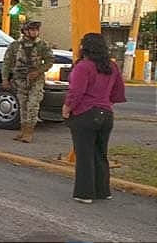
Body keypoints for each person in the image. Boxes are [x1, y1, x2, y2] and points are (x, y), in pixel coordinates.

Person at [62, 33, 126, 204]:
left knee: (84, 155)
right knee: (100, 154)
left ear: (84, 48)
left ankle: (84, 193)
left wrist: (67, 108)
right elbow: (118, 91)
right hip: (106, 114)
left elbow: (76, 92)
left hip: (86, 114)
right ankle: (103, 191)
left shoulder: (83, 67)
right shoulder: (112, 66)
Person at [1, 20, 55, 143]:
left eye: (36, 30)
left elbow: (50, 60)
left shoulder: (42, 45)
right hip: (20, 80)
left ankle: (29, 132)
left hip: (36, 80)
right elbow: (7, 62)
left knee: (33, 105)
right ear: (25, 31)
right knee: (23, 105)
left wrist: (38, 71)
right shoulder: (15, 46)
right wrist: (5, 79)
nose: (35, 32)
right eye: (32, 30)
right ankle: (23, 130)